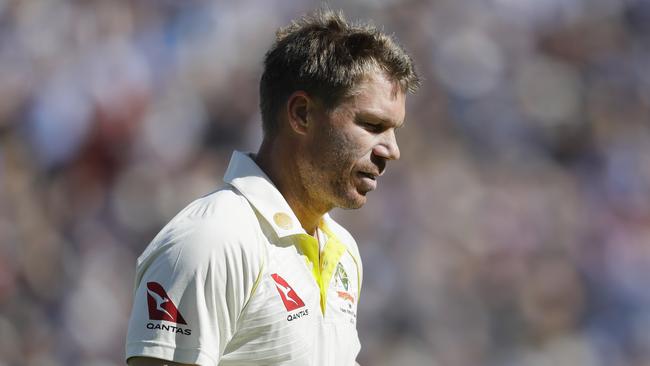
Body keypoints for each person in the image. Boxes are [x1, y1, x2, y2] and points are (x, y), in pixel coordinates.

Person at [125, 8, 419, 366]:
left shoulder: (343, 252)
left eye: (394, 130)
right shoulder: (211, 241)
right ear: (301, 114)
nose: (392, 150)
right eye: (372, 124)